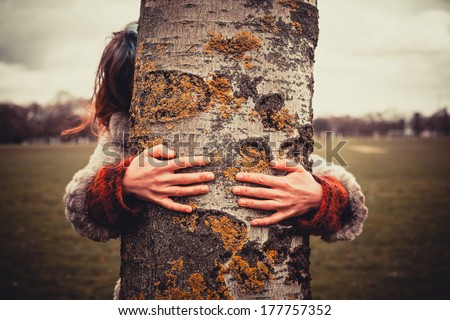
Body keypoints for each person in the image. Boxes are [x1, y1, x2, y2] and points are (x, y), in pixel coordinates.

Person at [63, 22, 368, 297]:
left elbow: (349, 205)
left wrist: (320, 196)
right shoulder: (122, 133)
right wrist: (123, 183)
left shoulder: (249, 123)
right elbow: (82, 210)